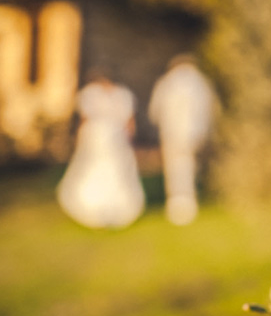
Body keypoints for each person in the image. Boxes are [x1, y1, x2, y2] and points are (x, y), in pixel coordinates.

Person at [57, 68, 145, 228]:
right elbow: (130, 123)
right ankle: (102, 211)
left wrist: (79, 139)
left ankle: (105, 211)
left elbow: (85, 119)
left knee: (107, 171)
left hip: (101, 138)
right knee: (108, 171)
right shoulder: (121, 94)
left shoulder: (93, 93)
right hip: (109, 139)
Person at [148, 54, 216, 225]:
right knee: (190, 167)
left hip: (171, 132)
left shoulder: (166, 83)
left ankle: (177, 204)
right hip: (194, 133)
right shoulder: (200, 83)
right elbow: (208, 110)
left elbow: (155, 112)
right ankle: (187, 203)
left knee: (174, 168)